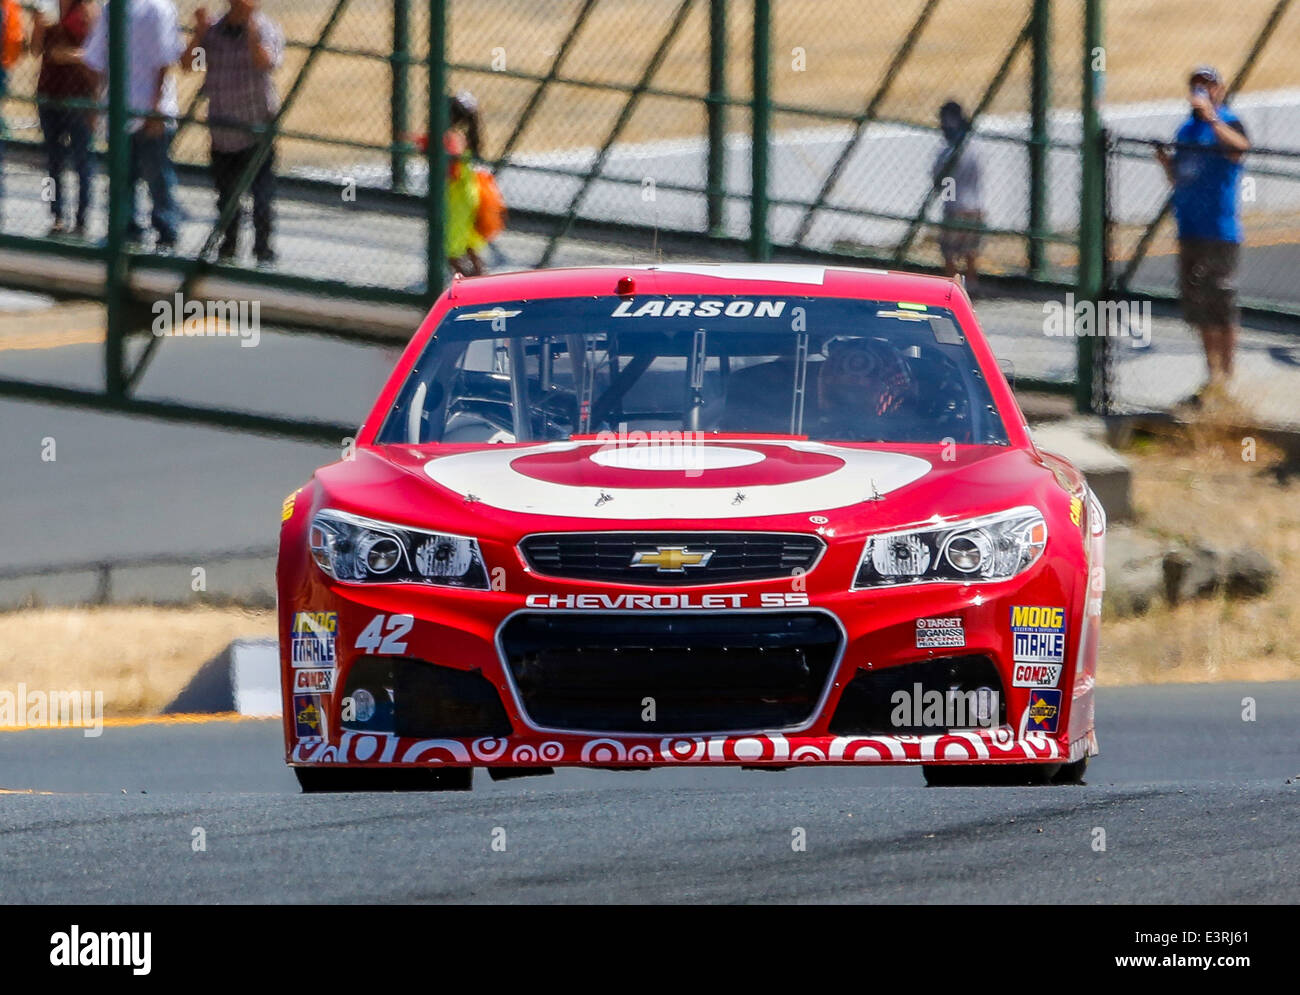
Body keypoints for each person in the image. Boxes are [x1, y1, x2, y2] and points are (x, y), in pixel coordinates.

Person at [1156, 66, 1251, 397]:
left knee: (1222, 302)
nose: (1201, 91)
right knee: (1199, 306)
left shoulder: (1227, 121)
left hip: (1219, 231)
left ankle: (1230, 374)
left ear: (1219, 90)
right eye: (1196, 85)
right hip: (1190, 229)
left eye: (1208, 85)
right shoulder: (1185, 130)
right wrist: (1166, 163)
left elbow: (1240, 148)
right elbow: (1181, 176)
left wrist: (1213, 119)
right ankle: (1213, 376)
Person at [181, 0, 284, 264]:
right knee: (227, 199)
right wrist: (199, 33)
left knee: (262, 199)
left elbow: (266, 62)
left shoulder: (265, 29)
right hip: (222, 132)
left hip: (256, 132)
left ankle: (263, 252)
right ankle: (228, 250)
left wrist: (250, 28)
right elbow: (188, 65)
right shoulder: (214, 30)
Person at [83, 0, 184, 252]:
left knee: (157, 174)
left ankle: (166, 232)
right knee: (122, 175)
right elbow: (96, 58)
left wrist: (156, 106)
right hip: (119, 108)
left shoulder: (158, 8)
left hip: (149, 107)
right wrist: (97, 101)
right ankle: (125, 229)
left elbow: (165, 59)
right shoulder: (112, 8)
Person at [31, 0, 99, 237]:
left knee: (83, 161)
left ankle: (82, 218)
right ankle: (57, 214)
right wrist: (38, 29)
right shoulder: (48, 7)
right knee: (53, 162)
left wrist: (69, 55)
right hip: (49, 95)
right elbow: (35, 50)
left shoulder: (89, 9)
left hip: (80, 98)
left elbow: (98, 55)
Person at [933, 100, 984, 292]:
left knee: (950, 252)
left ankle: (951, 288)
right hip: (976, 205)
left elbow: (940, 182)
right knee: (971, 249)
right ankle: (972, 283)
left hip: (954, 206)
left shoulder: (946, 151)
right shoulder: (975, 146)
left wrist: (948, 197)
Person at [445, 91, 486, 277]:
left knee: (447, 248)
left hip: (456, 199)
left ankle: (472, 283)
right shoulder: (468, 136)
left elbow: (451, 172)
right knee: (468, 242)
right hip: (469, 194)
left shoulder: (452, 138)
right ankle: (480, 275)